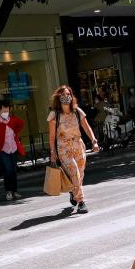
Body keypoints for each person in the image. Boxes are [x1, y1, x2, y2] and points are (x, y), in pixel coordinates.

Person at [47, 85, 100, 214]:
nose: (66, 96)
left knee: (80, 174)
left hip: (78, 145)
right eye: (63, 94)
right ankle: (81, 202)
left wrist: (94, 141)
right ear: (58, 97)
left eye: (68, 94)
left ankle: (73, 191)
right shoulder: (54, 115)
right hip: (63, 147)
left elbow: (87, 128)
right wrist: (53, 152)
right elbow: (52, 136)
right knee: (74, 171)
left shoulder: (77, 111)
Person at [0, 99, 26, 201]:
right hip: (2, 150)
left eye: (7, 110)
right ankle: (8, 191)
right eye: (4, 111)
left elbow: (21, 123)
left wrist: (15, 132)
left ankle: (15, 191)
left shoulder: (12, 119)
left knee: (13, 170)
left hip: (13, 148)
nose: (6, 113)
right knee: (8, 169)